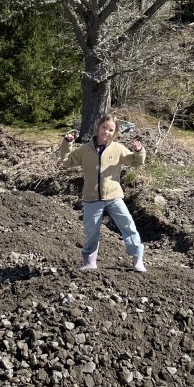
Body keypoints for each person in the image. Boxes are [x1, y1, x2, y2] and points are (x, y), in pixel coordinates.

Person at [60, 114, 147, 272]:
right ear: (98, 128)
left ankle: (137, 260)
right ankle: (89, 262)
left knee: (128, 225)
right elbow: (67, 161)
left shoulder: (118, 149)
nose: (106, 132)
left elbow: (136, 162)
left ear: (115, 133)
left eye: (110, 130)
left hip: (114, 196)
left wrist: (138, 151)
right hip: (91, 197)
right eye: (104, 128)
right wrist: (67, 143)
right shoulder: (85, 149)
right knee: (91, 231)